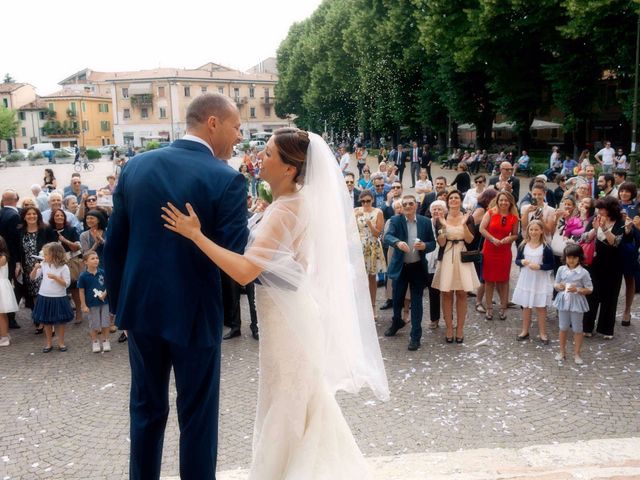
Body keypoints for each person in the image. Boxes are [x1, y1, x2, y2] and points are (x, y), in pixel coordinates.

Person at [161, 127, 389, 479]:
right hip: (288, 309)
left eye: (267, 154)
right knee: (294, 396)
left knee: (287, 398)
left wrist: (196, 235)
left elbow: (245, 271)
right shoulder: (290, 203)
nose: (259, 159)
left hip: (286, 318)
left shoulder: (285, 211)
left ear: (289, 169)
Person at [104, 93, 249, 480]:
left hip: (142, 309)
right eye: (236, 128)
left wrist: (119, 302)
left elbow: (114, 242)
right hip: (195, 313)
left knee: (146, 409)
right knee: (198, 415)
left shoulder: (135, 166)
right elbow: (234, 255)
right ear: (213, 123)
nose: (239, 137)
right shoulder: (227, 179)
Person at [383, 194, 435, 351]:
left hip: (418, 267)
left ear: (416, 205)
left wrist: (424, 246)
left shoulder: (425, 222)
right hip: (401, 266)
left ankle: (415, 336)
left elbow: (432, 243)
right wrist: (397, 242)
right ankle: (396, 321)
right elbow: (387, 237)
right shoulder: (396, 220)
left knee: (417, 302)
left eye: (410, 204)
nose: (407, 206)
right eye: (404, 204)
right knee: (397, 299)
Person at [431, 190, 480, 343]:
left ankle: (460, 328)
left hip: (462, 255)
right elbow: (441, 242)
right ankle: (449, 328)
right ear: (447, 201)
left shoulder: (468, 217)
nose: (453, 200)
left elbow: (470, 240)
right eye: (451, 198)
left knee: (461, 293)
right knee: (446, 293)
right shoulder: (441, 218)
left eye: (456, 198)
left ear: (461, 200)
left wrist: (464, 224)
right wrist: (444, 227)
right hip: (447, 255)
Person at [582, 196, 628, 339]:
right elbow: (584, 238)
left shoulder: (620, 222)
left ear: (610, 209)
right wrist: (594, 230)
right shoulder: (595, 219)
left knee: (610, 296)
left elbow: (616, 242)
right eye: (599, 208)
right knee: (592, 294)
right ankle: (587, 327)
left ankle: (606, 329)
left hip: (613, 264)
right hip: (595, 263)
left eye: (603, 209)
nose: (600, 211)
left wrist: (603, 229)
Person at [479, 192, 519, 320]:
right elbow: (482, 228)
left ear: (510, 202)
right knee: (489, 280)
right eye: (501, 200)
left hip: (504, 251)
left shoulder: (513, 217)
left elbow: (515, 234)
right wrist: (492, 239)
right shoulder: (490, 213)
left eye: (506, 201)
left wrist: (509, 239)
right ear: (497, 201)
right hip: (490, 250)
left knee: (504, 280)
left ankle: (503, 307)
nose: (503, 203)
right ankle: (489, 307)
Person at [513, 220, 554, 343]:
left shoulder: (546, 247)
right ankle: (525, 331)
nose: (533, 232)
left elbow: (551, 264)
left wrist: (540, 267)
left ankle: (542, 333)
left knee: (541, 307)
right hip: (526, 278)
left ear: (541, 231)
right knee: (526, 306)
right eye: (531, 229)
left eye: (536, 230)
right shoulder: (523, 245)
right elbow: (517, 260)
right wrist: (522, 262)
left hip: (540, 279)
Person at [17, 206, 57, 333]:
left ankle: (50, 323)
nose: (31, 216)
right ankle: (40, 321)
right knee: (34, 296)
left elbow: (54, 246)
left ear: (38, 215)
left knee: (45, 294)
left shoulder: (46, 229)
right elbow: (17, 249)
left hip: (44, 267)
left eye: (34, 214)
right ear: (24, 216)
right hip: (29, 269)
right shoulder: (20, 231)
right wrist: (18, 264)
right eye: (28, 214)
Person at [553, 244, 593, 365]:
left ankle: (577, 353)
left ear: (579, 258)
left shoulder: (584, 272)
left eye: (574, 258)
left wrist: (578, 290)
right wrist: (558, 286)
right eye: (569, 257)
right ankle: (562, 351)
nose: (571, 260)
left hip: (577, 302)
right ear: (565, 257)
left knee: (577, 328)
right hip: (563, 301)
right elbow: (556, 283)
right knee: (563, 327)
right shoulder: (561, 269)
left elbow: (590, 289)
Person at [31, 242, 73, 352]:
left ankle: (61, 342)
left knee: (61, 321)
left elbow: (66, 284)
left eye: (46, 254)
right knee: (46, 321)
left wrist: (56, 277)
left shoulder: (64, 267)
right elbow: (33, 278)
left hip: (59, 296)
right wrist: (35, 268)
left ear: (55, 255)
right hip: (44, 296)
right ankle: (49, 343)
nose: (44, 257)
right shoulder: (44, 264)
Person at [49, 208, 83, 324]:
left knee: (74, 290)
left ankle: (78, 312)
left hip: (70, 263)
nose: (59, 217)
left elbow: (77, 247)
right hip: (55, 264)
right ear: (53, 218)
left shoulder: (71, 230)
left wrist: (64, 240)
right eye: (57, 216)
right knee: (58, 290)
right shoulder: (49, 231)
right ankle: (62, 313)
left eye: (61, 216)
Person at [355, 190, 386, 317]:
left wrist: (368, 222)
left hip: (373, 245)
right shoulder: (356, 211)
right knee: (358, 278)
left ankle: (373, 307)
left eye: (368, 200)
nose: (365, 203)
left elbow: (378, 233)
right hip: (359, 245)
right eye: (363, 201)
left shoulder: (378, 212)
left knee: (372, 277)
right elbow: (348, 229)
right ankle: (361, 307)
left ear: (372, 200)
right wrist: (354, 216)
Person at [78, 251, 110, 353]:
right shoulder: (83, 276)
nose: (96, 260)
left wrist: (105, 294)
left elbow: (109, 285)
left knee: (105, 322)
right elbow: (81, 291)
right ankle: (95, 341)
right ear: (85, 262)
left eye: (97, 258)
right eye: (92, 258)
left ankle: (105, 340)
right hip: (91, 304)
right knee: (94, 324)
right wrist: (83, 305)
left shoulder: (102, 272)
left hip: (104, 303)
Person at [618, 181, 640, 326]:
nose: (624, 193)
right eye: (622, 191)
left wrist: (636, 226)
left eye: (627, 191)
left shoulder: (637, 208)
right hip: (614, 246)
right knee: (612, 280)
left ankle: (627, 310)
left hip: (630, 247)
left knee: (629, 280)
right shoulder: (615, 205)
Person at [0, 190, 22, 329]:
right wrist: (18, 261)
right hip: (11, 258)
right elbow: (15, 241)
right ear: (16, 199)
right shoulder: (14, 215)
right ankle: (10, 317)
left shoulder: (2, 213)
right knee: (16, 286)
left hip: (2, 256)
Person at [0, 235, 18, 346]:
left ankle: (4, 337)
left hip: (1, 285)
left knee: (1, 314)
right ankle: (5, 334)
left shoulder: (2, 257)